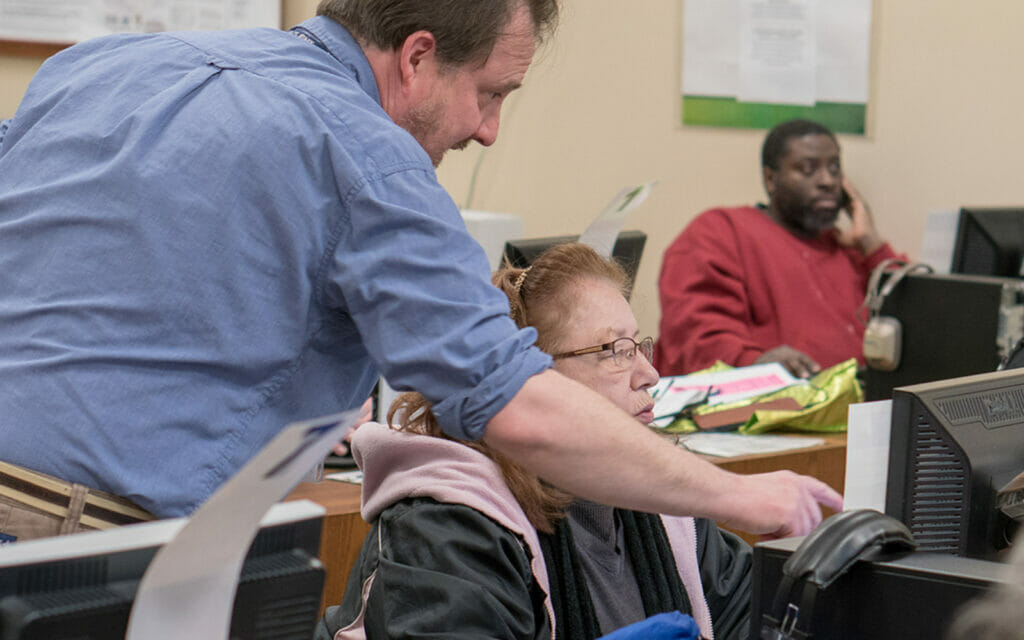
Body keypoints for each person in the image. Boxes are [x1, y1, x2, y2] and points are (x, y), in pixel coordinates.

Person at [0, 0, 839, 538]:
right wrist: (738, 497)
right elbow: (516, 408)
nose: (489, 132)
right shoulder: (367, 153)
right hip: (84, 545)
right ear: (416, 57)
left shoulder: (95, 69)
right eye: (493, 93)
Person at [316, 243, 751, 640]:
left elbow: (749, 613)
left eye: (639, 346)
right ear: (532, 378)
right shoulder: (444, 525)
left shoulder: (661, 499)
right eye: (615, 351)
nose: (649, 375)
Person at [654, 119, 905, 379]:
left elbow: (917, 318)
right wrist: (755, 363)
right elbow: (695, 335)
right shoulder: (720, 231)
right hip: (768, 409)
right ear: (771, 179)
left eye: (834, 168)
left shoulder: (850, 250)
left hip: (861, 407)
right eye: (808, 169)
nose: (828, 181)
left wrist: (872, 243)